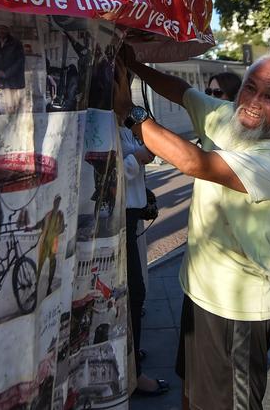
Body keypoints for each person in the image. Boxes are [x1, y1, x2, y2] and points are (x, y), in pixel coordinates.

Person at [114, 43, 270, 410]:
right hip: (197, 293)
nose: (253, 100)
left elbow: (194, 162)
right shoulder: (227, 117)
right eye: (250, 87)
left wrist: (129, 110)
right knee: (191, 394)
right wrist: (137, 66)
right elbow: (181, 91)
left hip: (237, 312)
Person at [117, 97, 169, 397]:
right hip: (119, 217)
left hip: (132, 214)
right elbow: (108, 173)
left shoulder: (124, 125)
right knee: (133, 293)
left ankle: (131, 354)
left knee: (134, 294)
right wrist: (136, 159)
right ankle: (132, 371)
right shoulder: (106, 123)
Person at [32, 195, 66, 298]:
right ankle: (35, 289)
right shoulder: (48, 214)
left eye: (59, 201)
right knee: (40, 266)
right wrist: (31, 228)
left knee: (52, 266)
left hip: (53, 243)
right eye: (56, 201)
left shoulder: (60, 215)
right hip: (44, 243)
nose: (57, 203)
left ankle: (49, 288)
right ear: (54, 202)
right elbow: (40, 224)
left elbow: (62, 228)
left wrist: (58, 230)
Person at [0, 23, 27, 114]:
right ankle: (10, 121)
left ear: (8, 30)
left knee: (15, 103)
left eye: (3, 29)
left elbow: (20, 60)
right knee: (7, 103)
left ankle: (15, 123)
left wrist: (7, 73)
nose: (1, 31)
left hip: (14, 77)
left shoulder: (16, 43)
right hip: (2, 77)